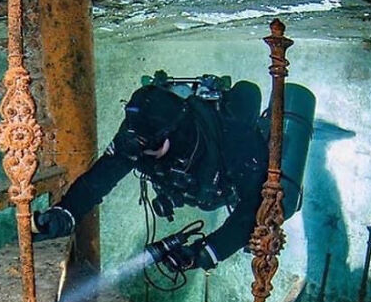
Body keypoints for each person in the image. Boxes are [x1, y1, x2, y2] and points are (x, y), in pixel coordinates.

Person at [31, 75, 299, 272]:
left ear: (173, 135)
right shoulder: (137, 137)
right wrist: (65, 212)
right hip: (191, 187)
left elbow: (254, 207)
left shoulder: (233, 143)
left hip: (223, 186)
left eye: (151, 146)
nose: (141, 154)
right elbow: (98, 181)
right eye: (137, 144)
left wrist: (204, 253)